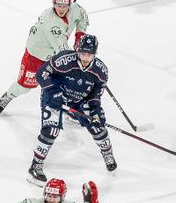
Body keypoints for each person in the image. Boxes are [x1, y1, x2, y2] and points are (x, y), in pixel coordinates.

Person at [26, 33, 116, 186]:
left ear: (95, 54)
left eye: (89, 55)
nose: (85, 58)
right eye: (82, 53)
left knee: (98, 126)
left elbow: (95, 95)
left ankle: (107, 153)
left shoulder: (101, 71)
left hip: (80, 100)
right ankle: (36, 165)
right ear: (77, 50)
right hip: (55, 96)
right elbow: (42, 74)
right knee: (51, 130)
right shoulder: (64, 60)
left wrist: (95, 110)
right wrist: (54, 92)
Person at [0, 0, 90, 114]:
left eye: (64, 6)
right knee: (25, 87)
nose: (61, 9)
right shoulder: (51, 24)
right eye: (58, 5)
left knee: (63, 82)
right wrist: (81, 61)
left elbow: (83, 16)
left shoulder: (75, 9)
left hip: (53, 55)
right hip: (36, 55)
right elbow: (63, 52)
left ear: (69, 4)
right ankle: (9, 95)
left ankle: (61, 105)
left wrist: (79, 36)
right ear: (53, 4)